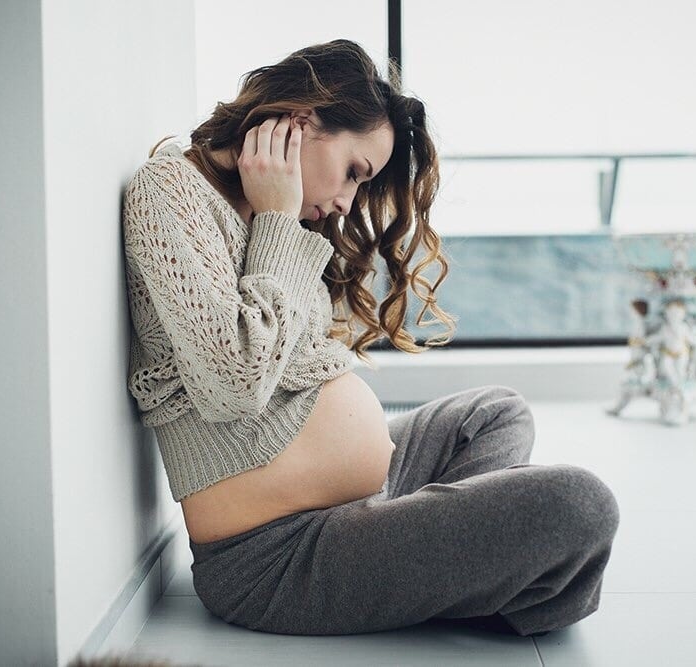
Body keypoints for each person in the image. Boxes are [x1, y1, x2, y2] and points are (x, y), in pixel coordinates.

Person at [122, 39, 619, 638]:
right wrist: (278, 217)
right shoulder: (170, 191)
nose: (344, 202)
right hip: (277, 557)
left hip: (357, 505)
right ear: (301, 120)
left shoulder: (264, 214)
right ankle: (452, 570)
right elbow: (233, 384)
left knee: (494, 411)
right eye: (355, 173)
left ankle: (419, 557)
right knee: (579, 505)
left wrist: (274, 216)